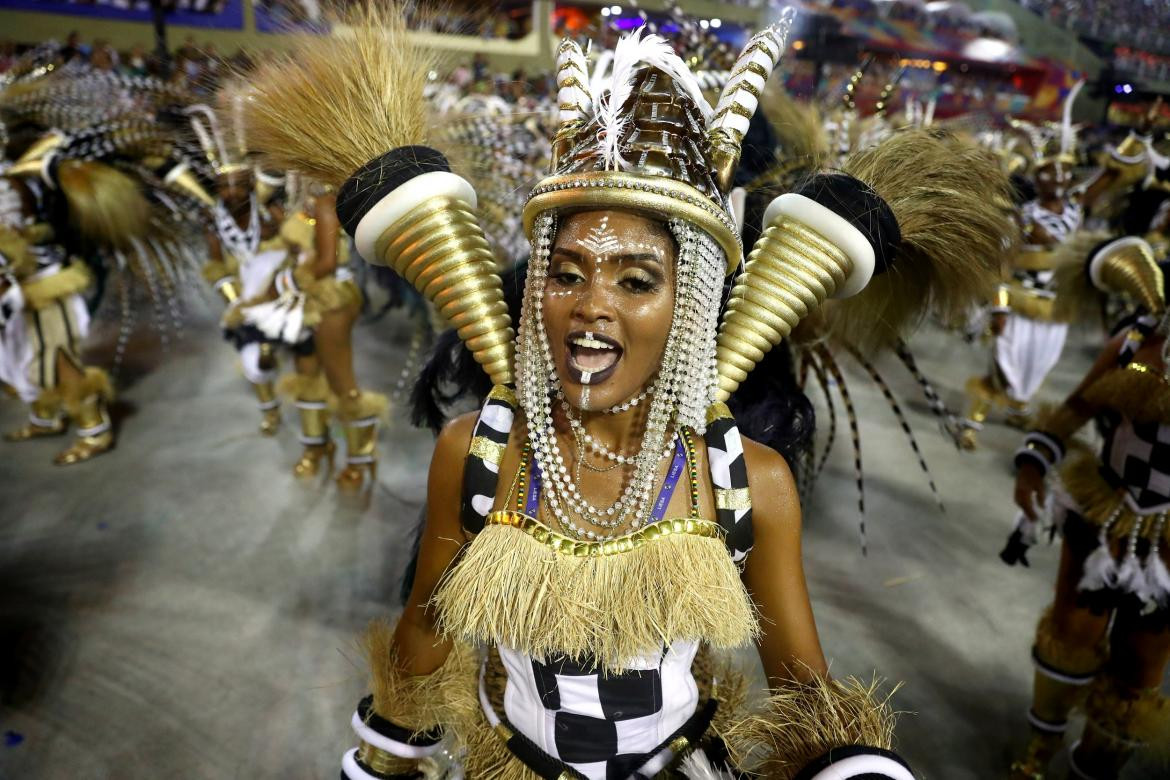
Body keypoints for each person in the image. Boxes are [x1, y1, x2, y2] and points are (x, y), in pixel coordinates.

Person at [243, 7, 1010, 777]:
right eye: (568, 272)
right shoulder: (479, 454)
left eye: (636, 279)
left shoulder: (747, 483)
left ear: (691, 306)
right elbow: (426, 629)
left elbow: (801, 683)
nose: (591, 304)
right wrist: (382, 759)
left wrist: (853, 768)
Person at [1004, 236, 1170, 779]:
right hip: (1106, 510)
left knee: (1139, 666)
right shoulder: (1135, 339)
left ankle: (1095, 769)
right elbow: (1077, 406)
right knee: (1071, 635)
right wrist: (1033, 462)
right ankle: (1039, 752)